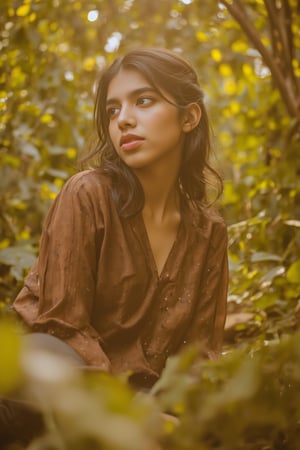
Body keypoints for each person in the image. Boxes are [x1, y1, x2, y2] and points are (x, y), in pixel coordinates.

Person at [2, 47, 228, 443]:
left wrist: (185, 414)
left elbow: (200, 354)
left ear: (189, 117)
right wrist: (133, 413)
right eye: (112, 110)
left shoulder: (209, 232)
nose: (123, 119)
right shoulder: (87, 194)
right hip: (61, 376)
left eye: (143, 101)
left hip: (144, 393)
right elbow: (62, 329)